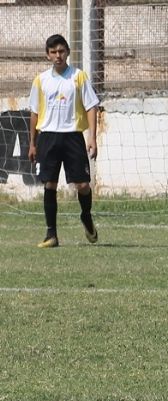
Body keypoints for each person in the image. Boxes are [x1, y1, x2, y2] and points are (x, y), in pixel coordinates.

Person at [28, 34, 100, 248]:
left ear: (67, 52)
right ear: (47, 55)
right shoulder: (41, 80)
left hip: (72, 136)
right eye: (53, 52)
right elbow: (34, 112)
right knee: (49, 184)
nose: (57, 55)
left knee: (83, 185)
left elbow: (91, 106)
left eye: (61, 51)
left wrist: (92, 137)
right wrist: (32, 143)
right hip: (48, 136)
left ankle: (86, 215)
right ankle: (51, 235)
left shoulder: (78, 77)